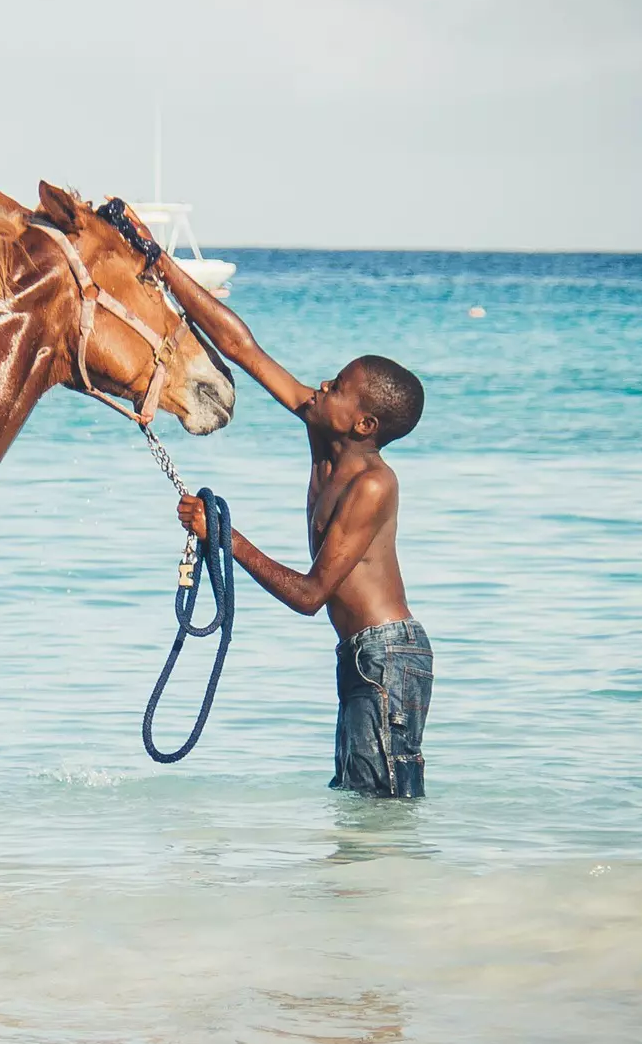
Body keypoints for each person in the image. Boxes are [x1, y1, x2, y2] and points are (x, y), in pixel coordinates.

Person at [150, 244, 433, 798]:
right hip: (363, 654)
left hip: (388, 656)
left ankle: (378, 886)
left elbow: (310, 596)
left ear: (364, 423)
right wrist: (160, 264)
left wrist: (225, 538)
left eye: (336, 387)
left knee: (380, 805)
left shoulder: (373, 485)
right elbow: (242, 347)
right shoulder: (323, 431)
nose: (321, 386)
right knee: (358, 798)